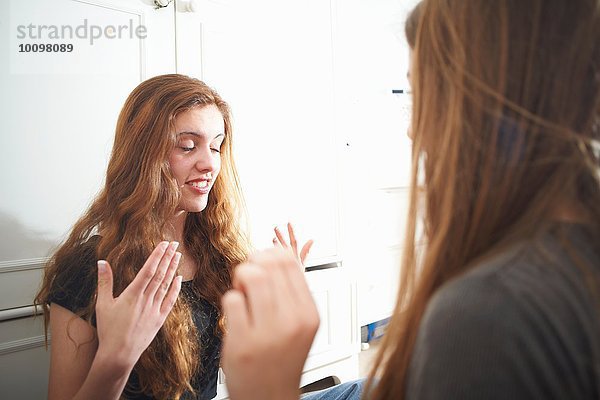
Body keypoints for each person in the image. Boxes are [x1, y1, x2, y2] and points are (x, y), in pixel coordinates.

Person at [219, 0, 600, 399]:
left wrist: (265, 390)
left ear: (484, 104)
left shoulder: (487, 318)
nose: (413, 131)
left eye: (423, 96)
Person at [34, 74, 312, 400]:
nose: (209, 163)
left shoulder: (216, 253)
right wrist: (117, 357)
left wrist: (275, 314)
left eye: (216, 145)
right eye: (187, 146)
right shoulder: (90, 268)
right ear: (142, 155)